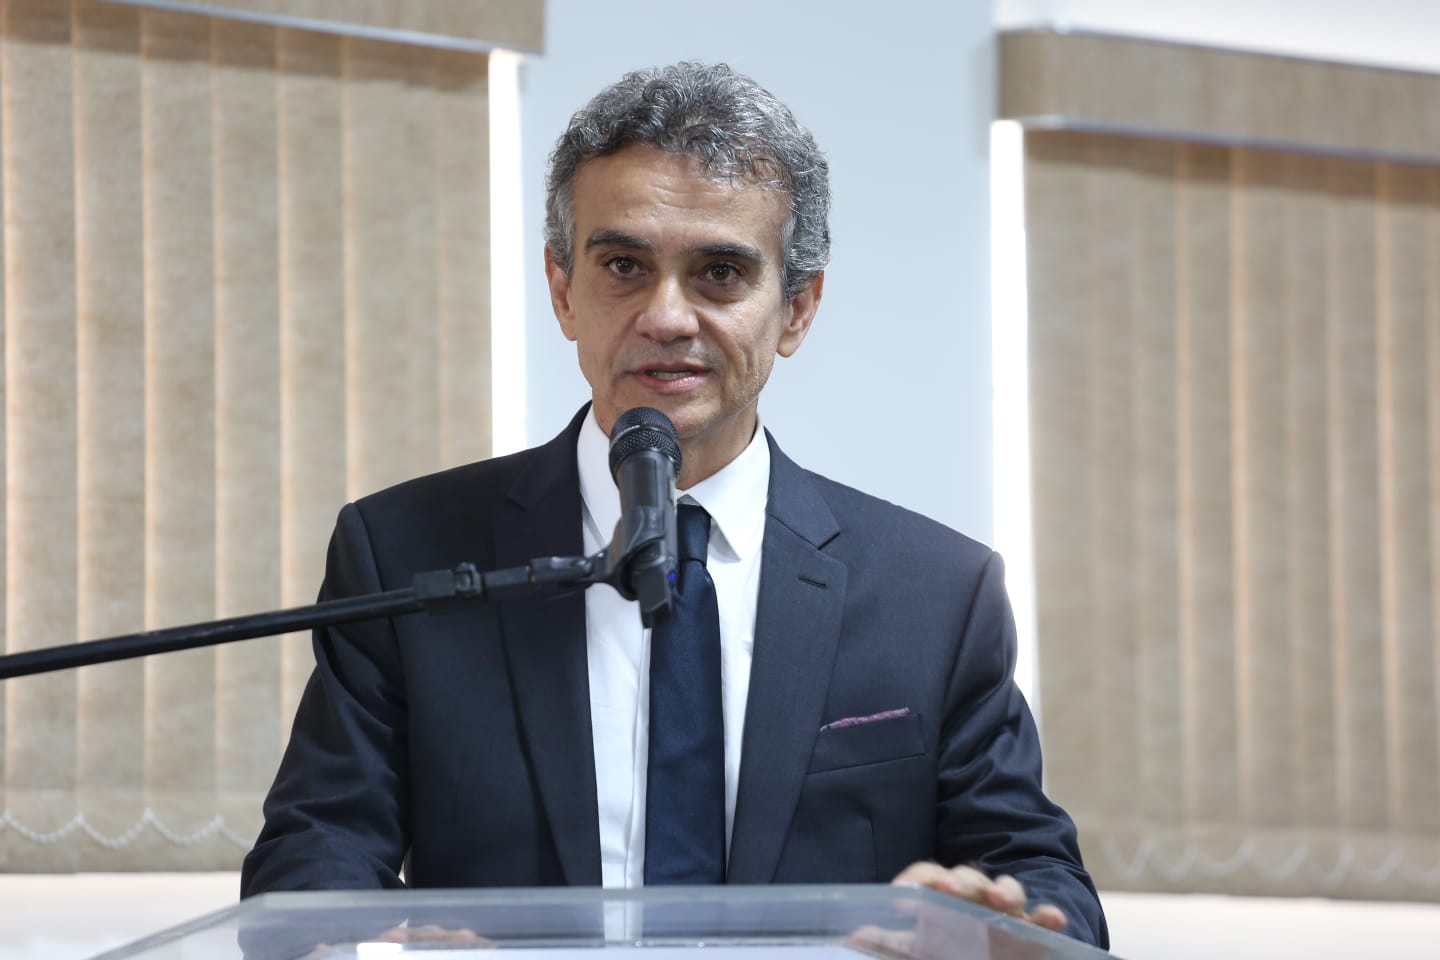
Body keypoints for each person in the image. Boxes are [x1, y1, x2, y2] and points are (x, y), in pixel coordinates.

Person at [241, 62, 1108, 949]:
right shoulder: (406, 549)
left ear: (798, 308)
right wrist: (375, 946)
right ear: (562, 289)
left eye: (720, 272)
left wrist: (995, 930)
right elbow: (313, 851)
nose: (666, 316)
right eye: (624, 265)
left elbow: (1043, 880)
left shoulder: (938, 593)